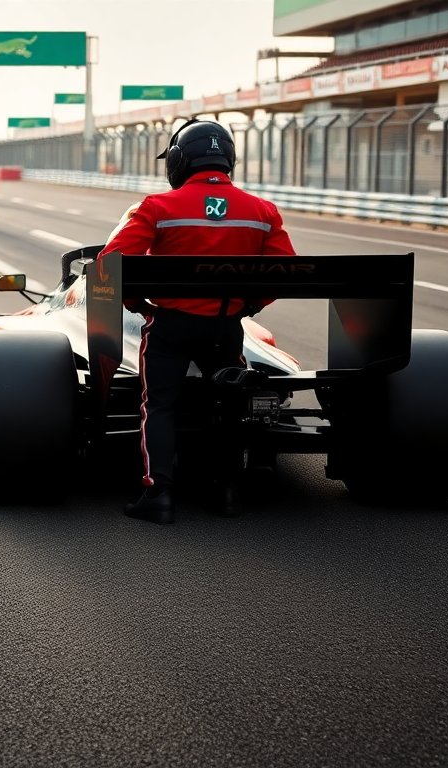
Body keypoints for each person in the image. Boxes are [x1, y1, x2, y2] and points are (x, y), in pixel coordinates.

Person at [98, 119, 295, 525]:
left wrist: (140, 305)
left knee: (159, 406)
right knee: (229, 403)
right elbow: (286, 271)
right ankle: (227, 491)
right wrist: (248, 307)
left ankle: (159, 495)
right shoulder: (262, 211)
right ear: (228, 160)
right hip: (224, 329)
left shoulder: (157, 207)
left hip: (170, 327)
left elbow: (108, 266)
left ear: (177, 161)